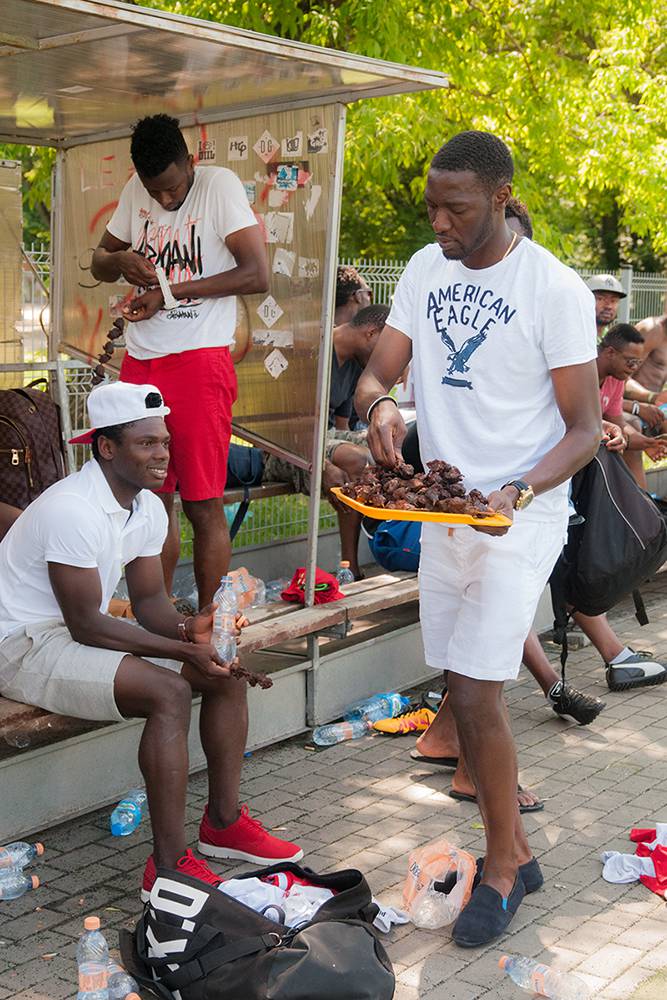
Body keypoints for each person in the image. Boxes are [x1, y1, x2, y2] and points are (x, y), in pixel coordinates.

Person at [355, 130, 601, 946]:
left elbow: (584, 431)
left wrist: (518, 489)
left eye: (454, 208)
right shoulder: (427, 271)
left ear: (499, 198)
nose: (438, 223)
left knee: (474, 694)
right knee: (457, 684)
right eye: (431, 207)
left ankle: (500, 874)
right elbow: (374, 372)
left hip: (520, 515)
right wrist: (380, 405)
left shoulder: (552, 289)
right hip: (443, 516)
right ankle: (518, 849)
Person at [0, 382, 302, 899]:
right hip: (21, 642)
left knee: (224, 673)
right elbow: (85, 626)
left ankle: (223, 826)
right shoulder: (72, 508)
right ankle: (167, 868)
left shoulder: (147, 508)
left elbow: (151, 606)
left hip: (73, 632)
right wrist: (185, 651)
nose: (162, 454)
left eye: (164, 442)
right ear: (107, 448)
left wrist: (194, 629)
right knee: (171, 691)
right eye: (146, 443)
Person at [91, 114, 269, 610]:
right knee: (147, 502)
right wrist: (121, 262)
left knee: (202, 502)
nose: (164, 200)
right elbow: (98, 261)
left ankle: (210, 620)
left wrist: (170, 293)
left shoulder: (220, 187)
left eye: (171, 189)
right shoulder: (137, 190)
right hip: (143, 364)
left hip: (199, 362)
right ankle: (159, 616)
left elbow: (257, 273)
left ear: (189, 162)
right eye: (155, 191)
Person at [597, 323, 667, 489]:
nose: (634, 368)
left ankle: (642, 505)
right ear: (610, 352)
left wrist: (646, 443)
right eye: (630, 362)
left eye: (638, 362)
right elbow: (584, 424)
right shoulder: (584, 373)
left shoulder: (616, 379)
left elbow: (619, 422)